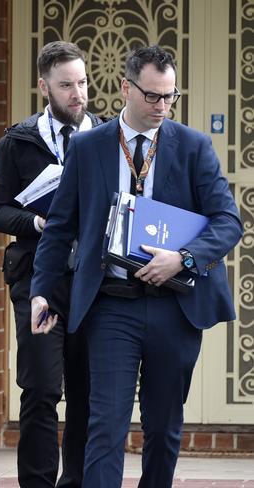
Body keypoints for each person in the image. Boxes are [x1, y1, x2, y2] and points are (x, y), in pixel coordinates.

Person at [29, 45, 243, 488]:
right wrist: (42, 292)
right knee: (105, 425)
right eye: (152, 96)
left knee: (163, 429)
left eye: (170, 96)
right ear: (126, 87)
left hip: (175, 307)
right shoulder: (89, 148)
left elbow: (228, 221)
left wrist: (182, 259)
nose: (162, 106)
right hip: (111, 306)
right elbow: (59, 228)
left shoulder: (194, 147)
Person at [0, 41, 106, 488]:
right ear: (44, 87)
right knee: (40, 389)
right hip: (38, 279)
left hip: (95, 282)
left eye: (82, 83)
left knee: (86, 393)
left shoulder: (109, 138)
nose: (78, 94)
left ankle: (75, 482)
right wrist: (39, 220)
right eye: (66, 85)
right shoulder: (16, 142)